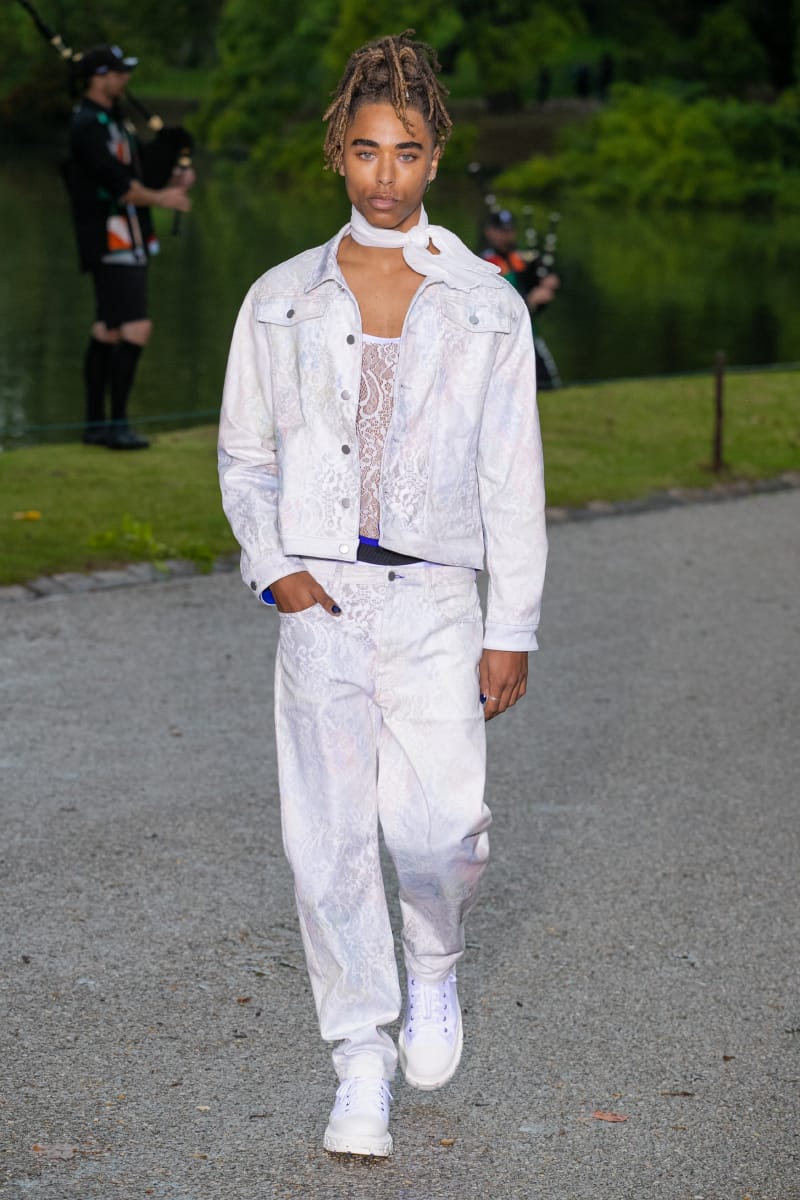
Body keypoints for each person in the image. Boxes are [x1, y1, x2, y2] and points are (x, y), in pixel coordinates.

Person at [218, 31, 547, 1158]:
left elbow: (511, 480)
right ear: (338, 156)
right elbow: (245, 457)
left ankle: (435, 962)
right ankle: (358, 1062)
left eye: (406, 152)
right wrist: (279, 572)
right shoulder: (280, 298)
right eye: (365, 151)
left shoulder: (487, 305)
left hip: (439, 603)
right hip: (323, 604)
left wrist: (510, 626)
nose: (385, 176)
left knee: (437, 830)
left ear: (435, 156)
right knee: (326, 846)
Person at [67, 44, 193, 449]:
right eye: (119, 72)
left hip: (130, 234)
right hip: (109, 237)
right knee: (136, 326)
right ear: (99, 77)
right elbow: (117, 183)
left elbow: (138, 173)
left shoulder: (115, 119)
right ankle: (116, 424)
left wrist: (172, 177)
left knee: (109, 329)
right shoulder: (86, 124)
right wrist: (163, 200)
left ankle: (96, 425)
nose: (126, 79)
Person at [480, 208, 562, 389]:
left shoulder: (521, 259)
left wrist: (547, 285)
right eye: (501, 230)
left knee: (548, 382)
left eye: (510, 230)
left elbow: (533, 288)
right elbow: (493, 306)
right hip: (501, 341)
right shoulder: (483, 264)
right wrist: (529, 301)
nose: (506, 235)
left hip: (528, 334)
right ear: (489, 231)